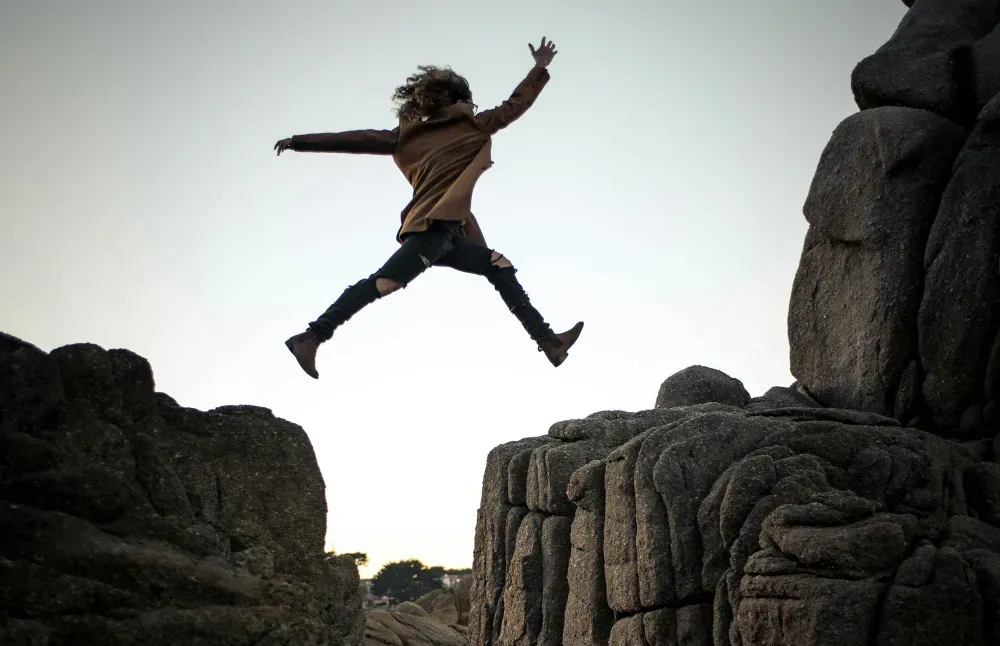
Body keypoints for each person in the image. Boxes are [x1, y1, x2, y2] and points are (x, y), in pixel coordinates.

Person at [275, 37, 583, 379]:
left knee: (499, 265)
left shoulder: (406, 135)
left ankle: (549, 343)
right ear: (460, 100)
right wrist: (539, 68)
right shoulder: (472, 124)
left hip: (450, 233)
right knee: (385, 282)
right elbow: (515, 105)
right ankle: (313, 336)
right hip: (431, 230)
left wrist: (300, 141)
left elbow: (354, 138)